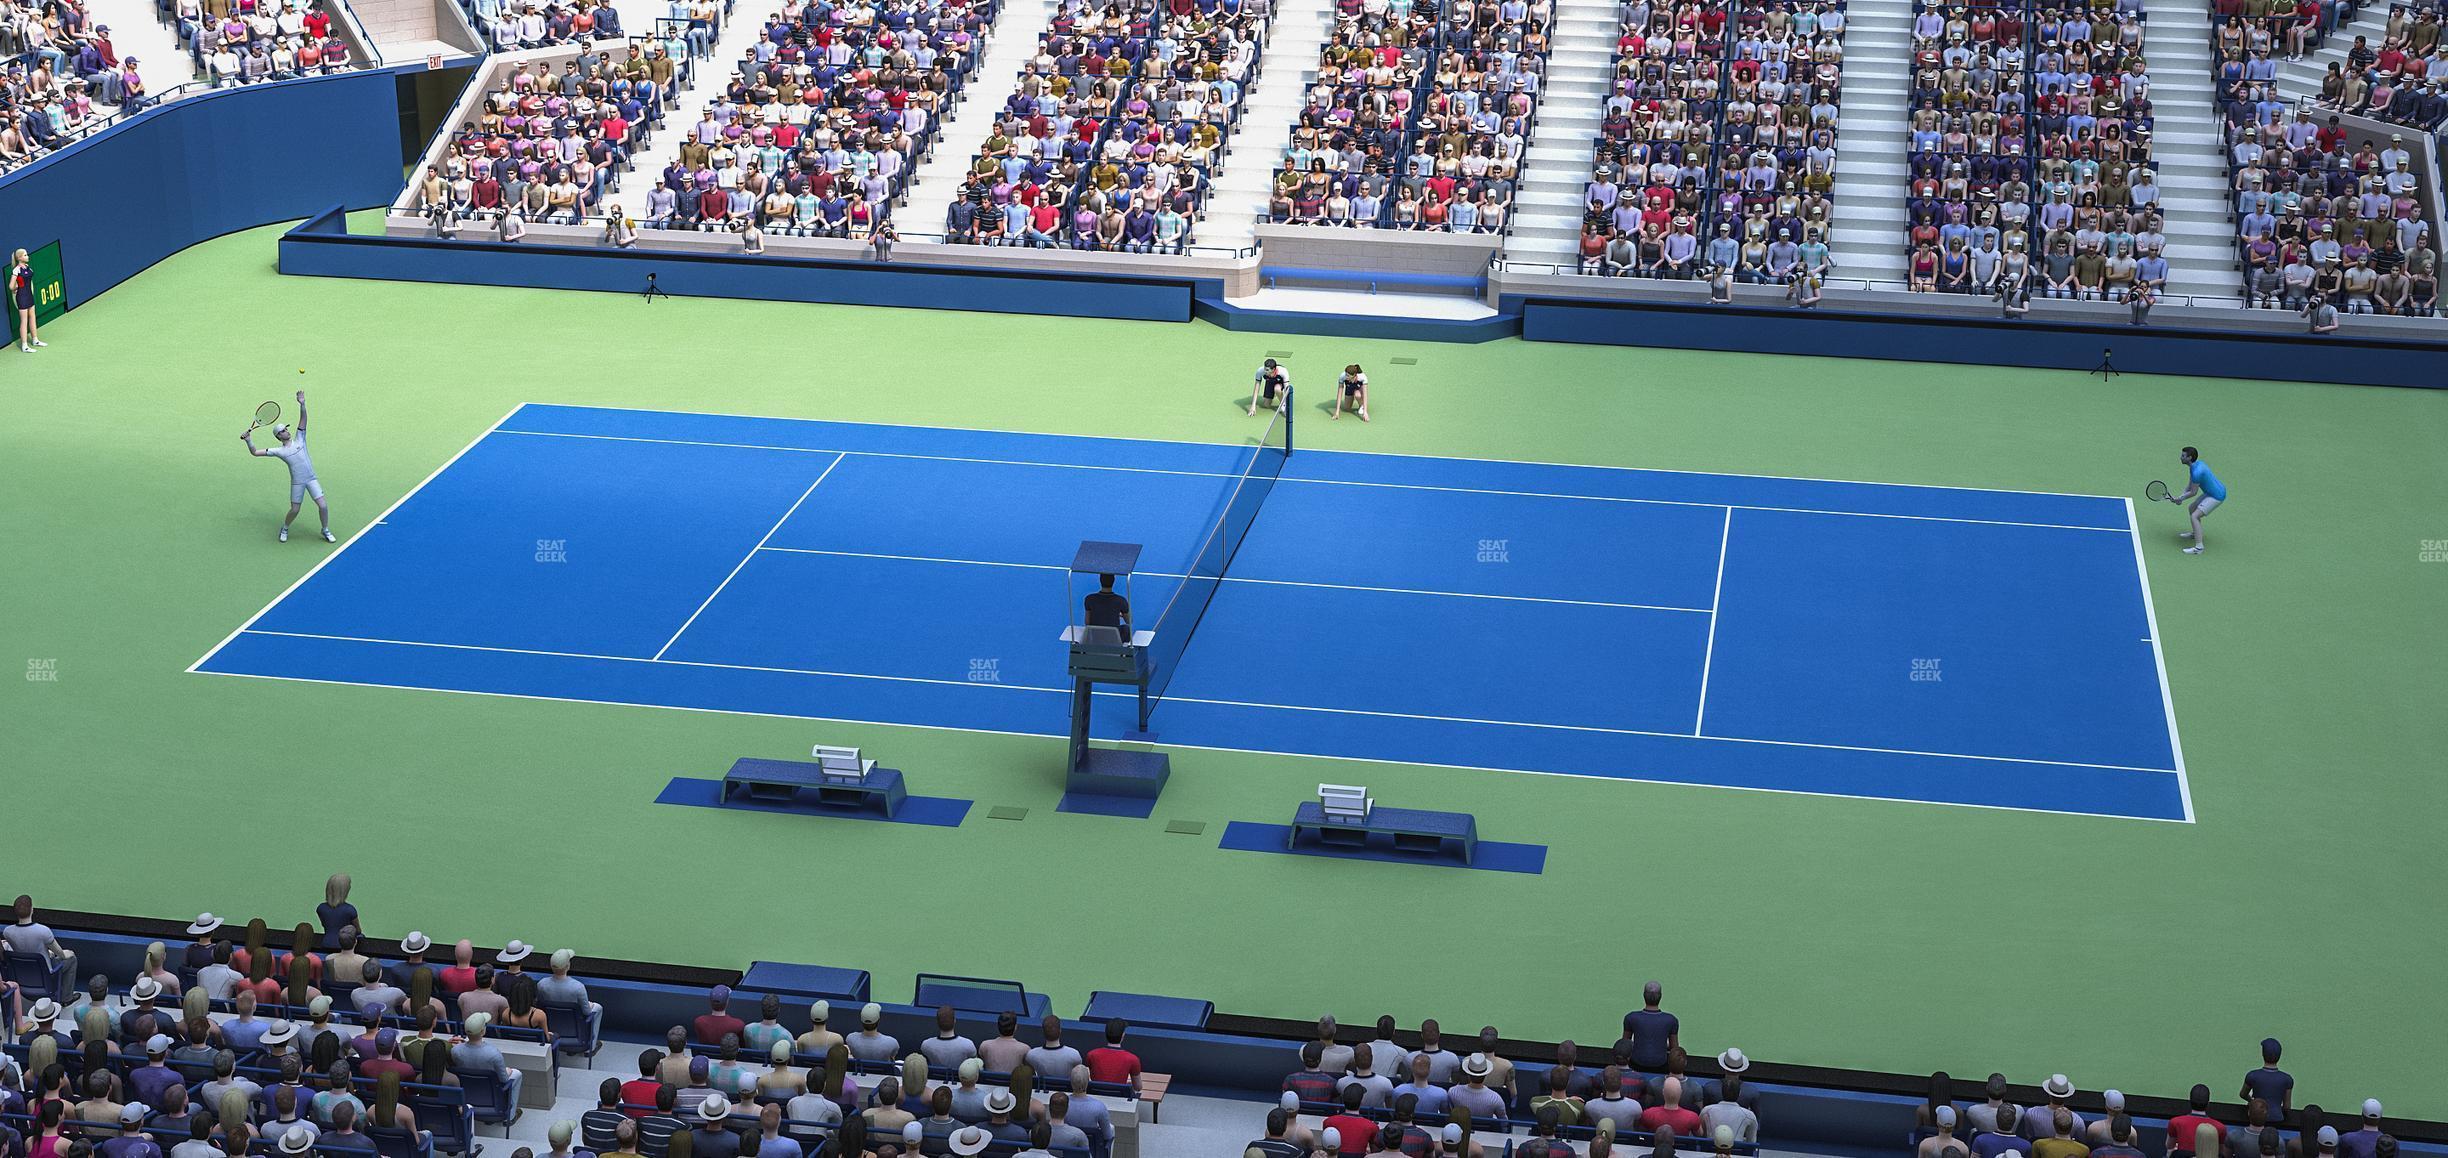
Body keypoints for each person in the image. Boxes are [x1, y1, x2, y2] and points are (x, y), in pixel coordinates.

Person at [242, 390, 334, 543]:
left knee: (323, 506)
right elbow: (255, 453)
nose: (287, 431)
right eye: (284, 430)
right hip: (298, 482)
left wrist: (302, 404)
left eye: (286, 429)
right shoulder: (279, 451)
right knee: (295, 510)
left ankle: (325, 529)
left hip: (311, 479)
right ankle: (285, 528)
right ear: (279, 436)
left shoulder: (300, 439)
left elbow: (303, 420)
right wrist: (248, 440)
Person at [2171, 447, 2228, 555]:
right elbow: (2189, 486)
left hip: (2217, 496)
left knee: (2195, 516)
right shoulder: (2195, 466)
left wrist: (2181, 499)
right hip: (2211, 492)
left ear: (2189, 458)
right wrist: (2180, 497)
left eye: (2183, 456)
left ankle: (2199, 547)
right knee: (2192, 508)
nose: (2180, 457)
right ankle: (2195, 533)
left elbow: (2193, 492)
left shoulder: (2197, 472)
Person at [11, 249, 42, 352]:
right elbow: (11, 286)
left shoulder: (28, 267)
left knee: (32, 317)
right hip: (22, 297)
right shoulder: (16, 270)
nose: (27, 256)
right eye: (25, 255)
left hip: (29, 295)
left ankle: (35, 340)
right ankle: (24, 346)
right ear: (19, 258)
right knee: (24, 321)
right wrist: (17, 287)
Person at [1083, 574, 1130, 639]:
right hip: (1114, 638)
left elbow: (1087, 622)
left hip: (1096, 637)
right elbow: (1129, 621)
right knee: (1126, 629)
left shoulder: (1089, 599)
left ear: (1100, 581)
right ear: (1113, 581)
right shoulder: (1121, 600)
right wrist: (1120, 614)